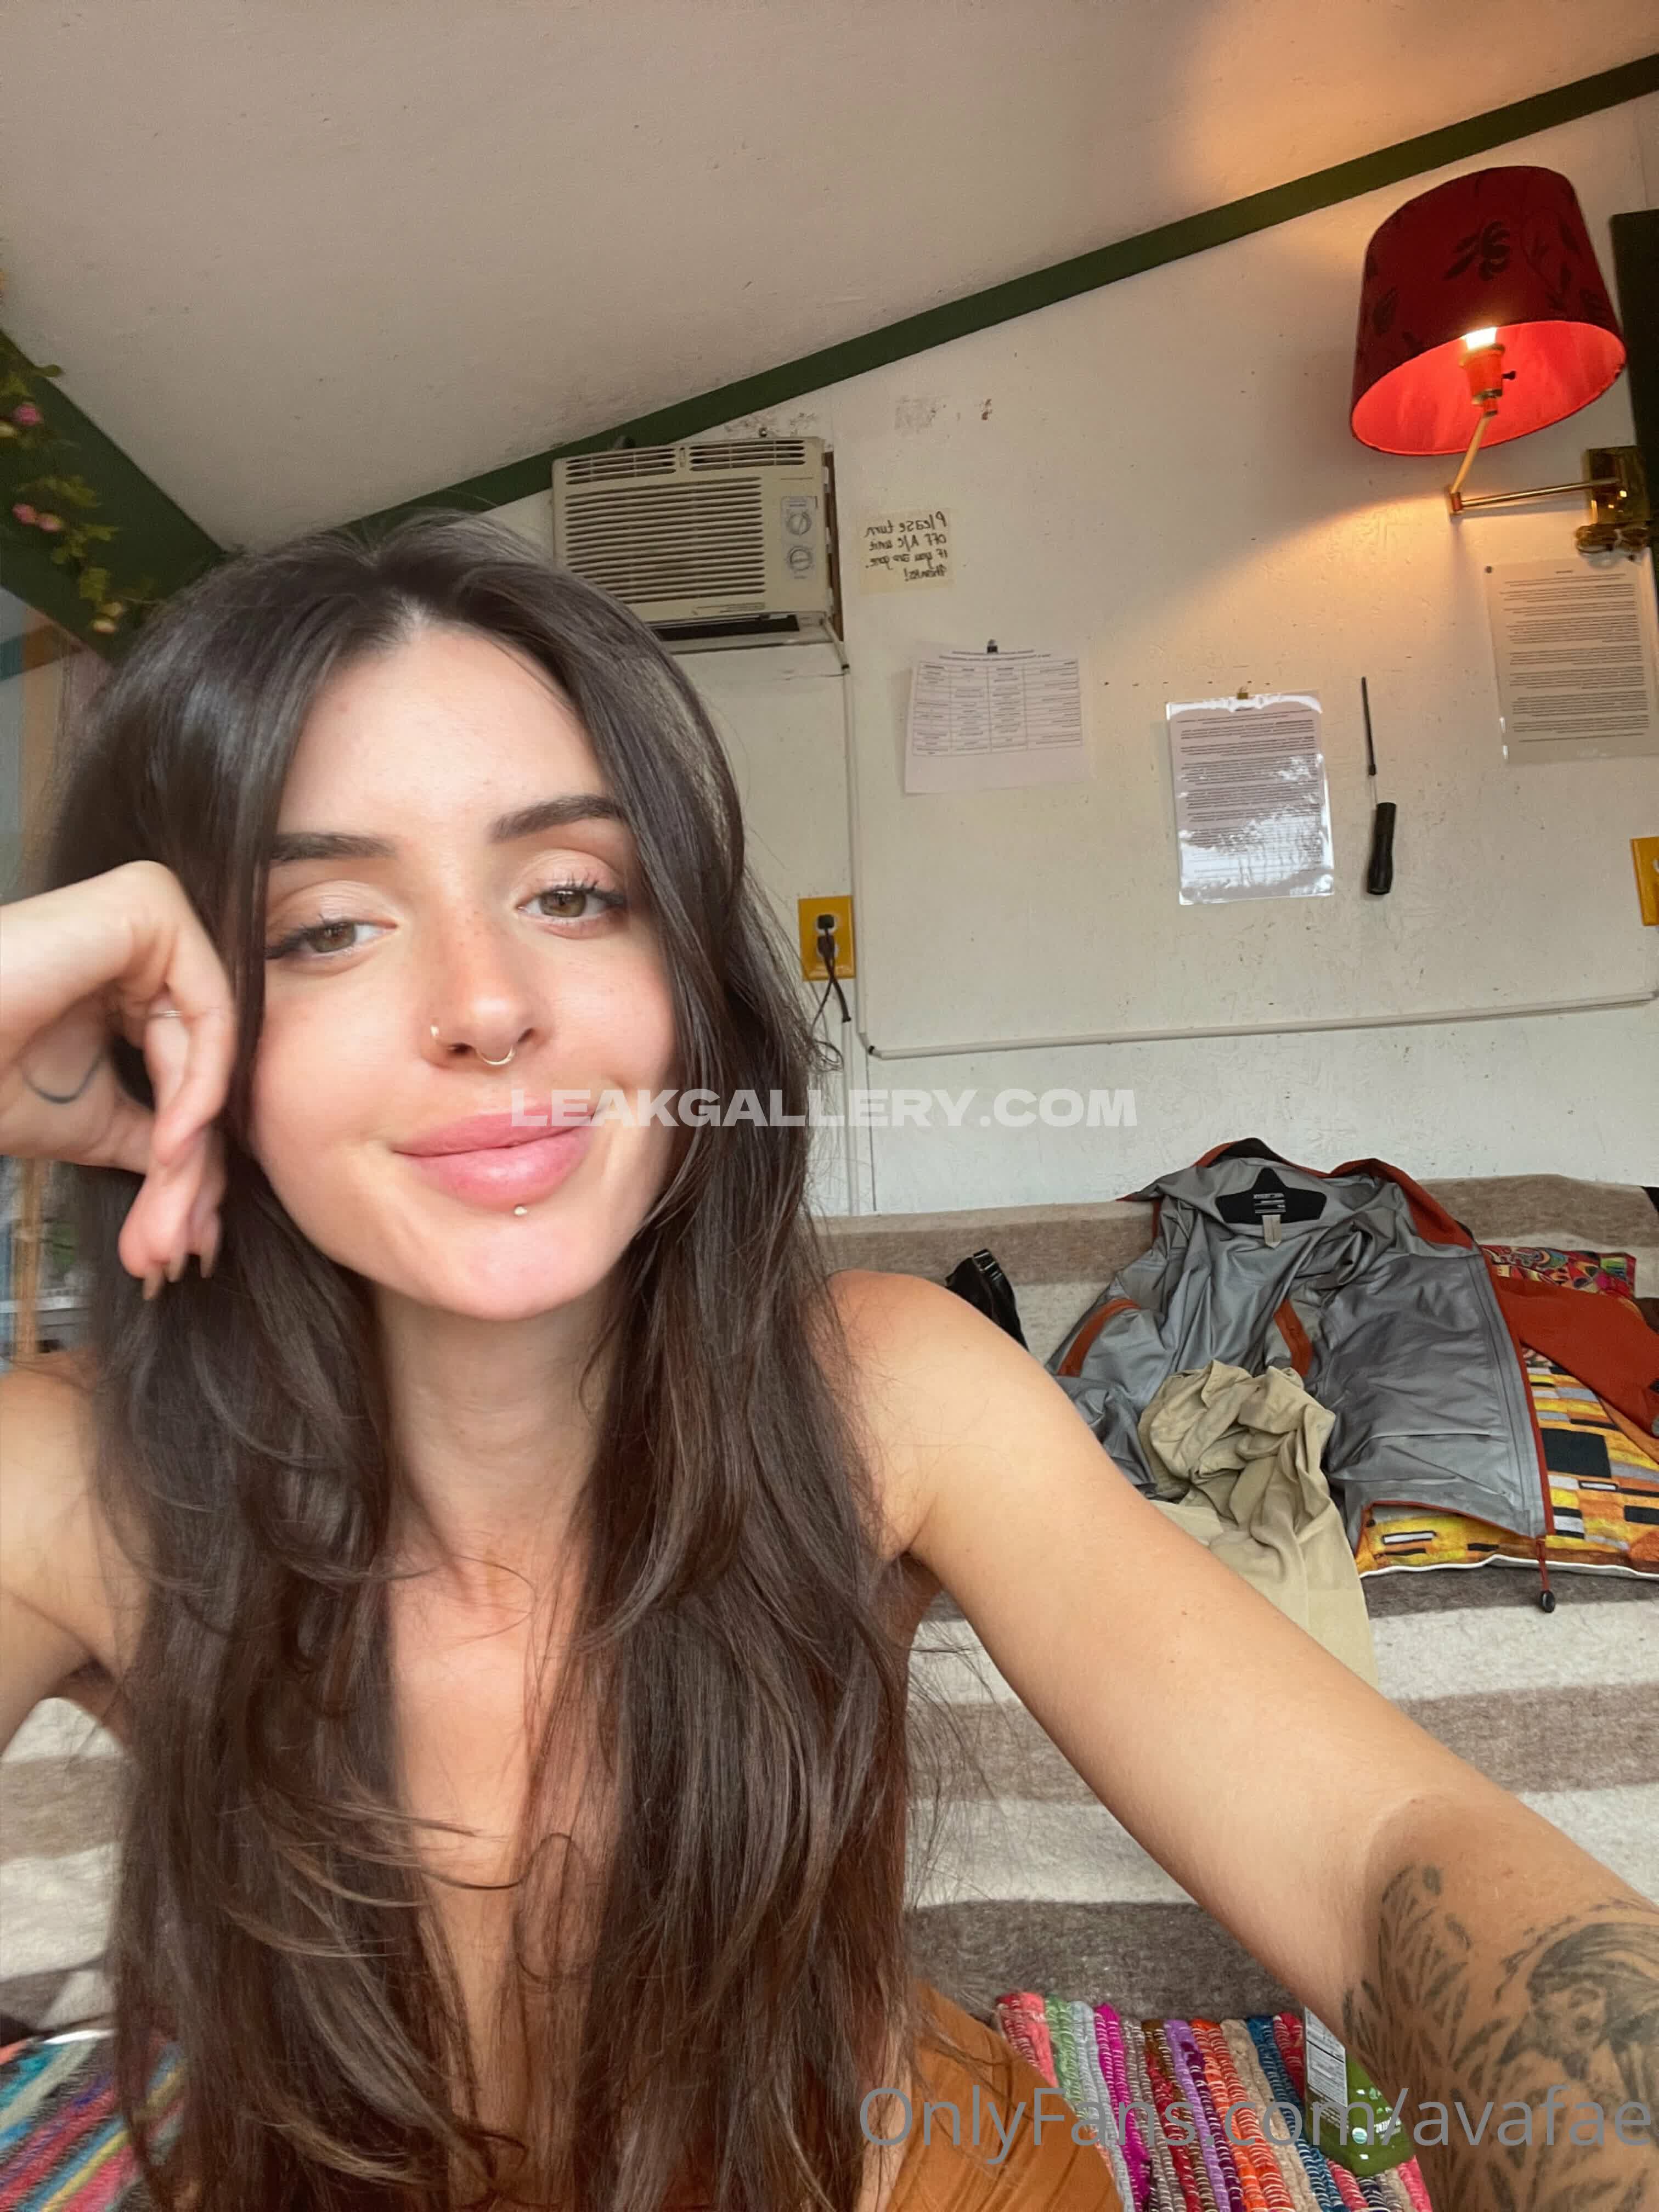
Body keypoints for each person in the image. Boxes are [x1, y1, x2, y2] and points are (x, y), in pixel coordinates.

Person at [0, 516, 1652, 2212]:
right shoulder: (71, 1481)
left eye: (573, 894)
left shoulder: (889, 1389)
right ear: (165, 1027)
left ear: (689, 984)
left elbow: (1377, 1853)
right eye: (327, 927)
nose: (486, 1002)